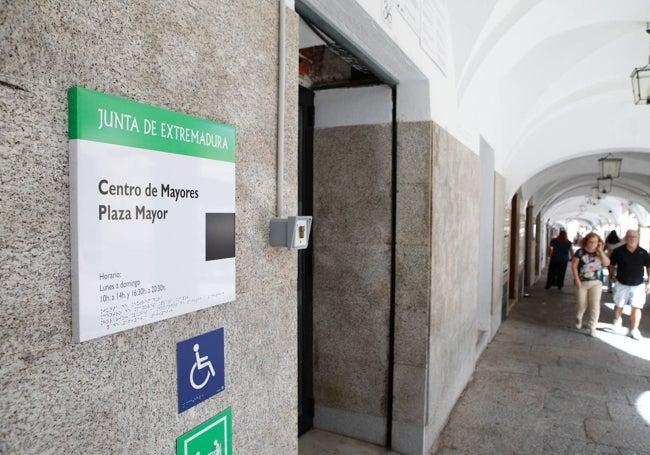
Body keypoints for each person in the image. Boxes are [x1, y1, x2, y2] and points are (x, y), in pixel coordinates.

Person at [607, 230, 650, 340]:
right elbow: (611, 264)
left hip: (638, 284)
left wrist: (649, 282)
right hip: (622, 283)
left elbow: (648, 268)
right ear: (625, 238)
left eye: (635, 237)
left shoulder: (643, 253)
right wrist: (613, 277)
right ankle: (617, 319)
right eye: (630, 236)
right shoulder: (618, 251)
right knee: (619, 304)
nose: (632, 238)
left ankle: (635, 330)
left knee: (637, 307)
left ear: (638, 238)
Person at [571, 232, 610, 336]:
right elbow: (574, 266)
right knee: (581, 304)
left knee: (595, 304)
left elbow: (607, 263)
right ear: (586, 242)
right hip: (582, 282)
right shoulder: (580, 252)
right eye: (591, 242)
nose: (593, 244)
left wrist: (601, 250)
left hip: (596, 282)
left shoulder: (599, 253)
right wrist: (577, 280)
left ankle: (592, 327)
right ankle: (579, 316)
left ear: (599, 243)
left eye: (596, 242)